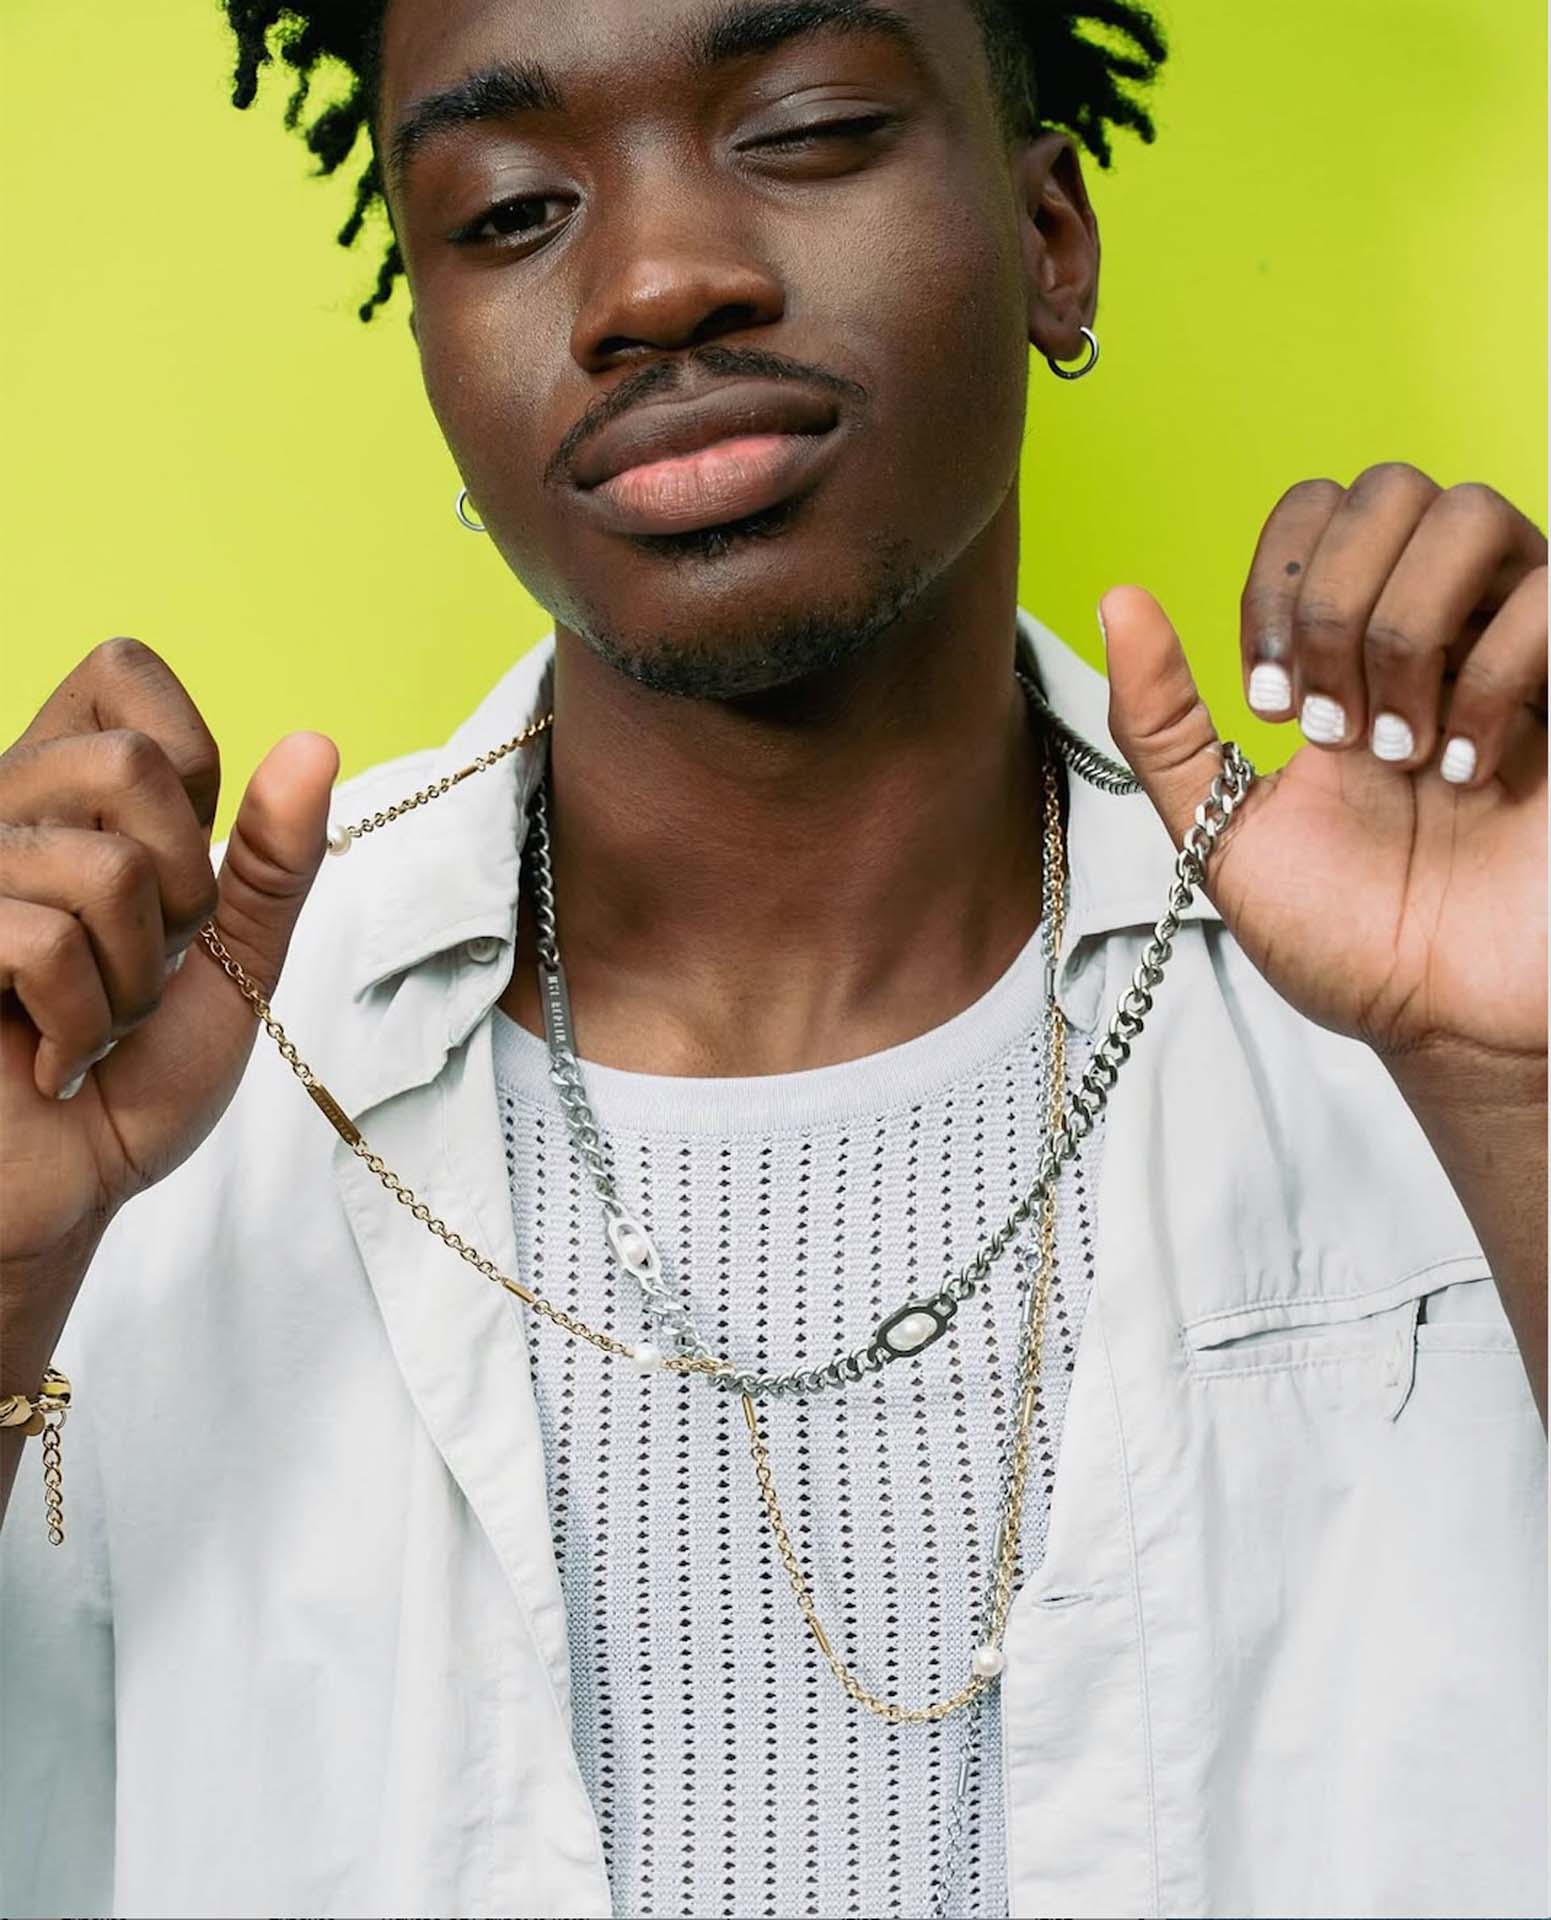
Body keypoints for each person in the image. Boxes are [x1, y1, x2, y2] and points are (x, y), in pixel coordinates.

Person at [0, 3, 1545, 1917]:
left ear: (1052, 239)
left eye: (804, 128)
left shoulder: (1426, 1004)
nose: (656, 283)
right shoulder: (142, 1092)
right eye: (509, 211)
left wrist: (1522, 1094)